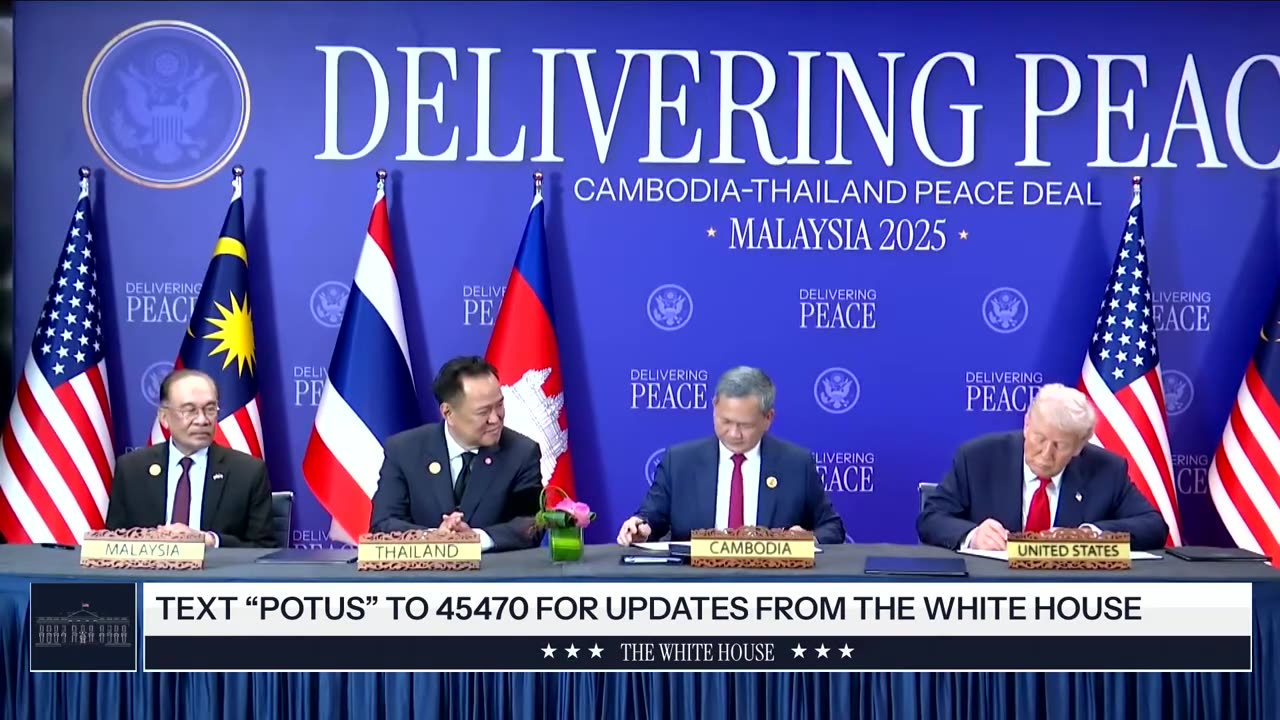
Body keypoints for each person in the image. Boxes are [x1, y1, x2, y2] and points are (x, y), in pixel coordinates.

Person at [916, 383, 1169, 551]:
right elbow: (931, 518)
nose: (1046, 454)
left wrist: (1091, 536)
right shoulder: (978, 459)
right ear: (1027, 425)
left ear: (1079, 446)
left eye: (1060, 445)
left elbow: (1154, 526)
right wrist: (973, 536)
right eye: (1039, 438)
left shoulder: (1107, 470)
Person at [616, 366, 845, 545]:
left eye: (745, 425)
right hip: (696, 581)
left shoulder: (796, 464)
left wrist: (808, 539)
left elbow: (832, 527)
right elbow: (651, 516)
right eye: (725, 421)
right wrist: (641, 528)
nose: (734, 433)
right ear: (714, 407)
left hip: (771, 582)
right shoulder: (679, 461)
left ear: (768, 419)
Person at [368, 356, 543, 552]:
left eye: (499, 405)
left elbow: (533, 524)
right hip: (422, 570)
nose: (495, 419)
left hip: (493, 569)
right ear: (448, 413)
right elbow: (383, 523)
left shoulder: (522, 453)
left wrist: (476, 539)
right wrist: (434, 538)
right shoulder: (404, 450)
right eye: (483, 412)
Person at [105, 369, 276, 548]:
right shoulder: (132, 469)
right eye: (189, 410)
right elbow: (113, 542)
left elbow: (264, 548)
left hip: (215, 566)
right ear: (164, 417)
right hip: (150, 566)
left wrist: (212, 541)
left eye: (210, 409)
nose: (202, 420)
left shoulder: (247, 472)